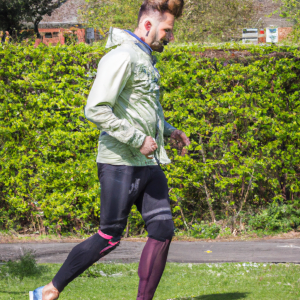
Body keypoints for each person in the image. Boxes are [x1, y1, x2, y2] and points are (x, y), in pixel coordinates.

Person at [30, 0, 190, 299]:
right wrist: (137, 139)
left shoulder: (145, 60)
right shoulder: (121, 57)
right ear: (147, 26)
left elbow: (143, 109)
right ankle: (50, 290)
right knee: (109, 236)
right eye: (167, 30)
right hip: (120, 163)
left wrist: (169, 131)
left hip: (148, 162)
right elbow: (96, 109)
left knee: (163, 231)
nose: (170, 36)